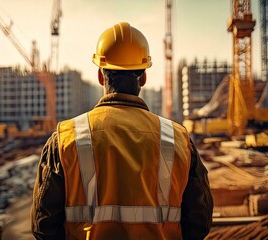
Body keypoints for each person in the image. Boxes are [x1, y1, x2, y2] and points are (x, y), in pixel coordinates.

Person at [31, 22, 213, 240]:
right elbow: (199, 222)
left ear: (100, 76)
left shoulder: (66, 138)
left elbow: (43, 224)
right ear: (143, 77)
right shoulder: (178, 139)